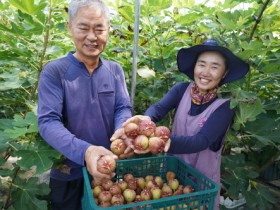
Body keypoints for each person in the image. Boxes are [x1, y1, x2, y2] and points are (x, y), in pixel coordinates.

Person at [112, 38, 249, 210]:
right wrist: (145, 122)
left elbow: (202, 141)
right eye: (202, 64)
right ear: (194, 67)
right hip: (172, 173)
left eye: (214, 67)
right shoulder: (181, 89)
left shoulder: (225, 105)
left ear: (225, 73)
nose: (206, 72)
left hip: (202, 181)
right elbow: (158, 109)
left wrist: (164, 143)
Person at [37, 0, 132, 209]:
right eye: (83, 27)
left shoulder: (115, 70)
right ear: (70, 27)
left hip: (108, 170)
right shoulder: (55, 72)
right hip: (68, 172)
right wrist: (85, 151)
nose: (92, 36)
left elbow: (122, 107)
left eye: (99, 28)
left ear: (108, 31)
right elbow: (47, 122)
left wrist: (122, 131)